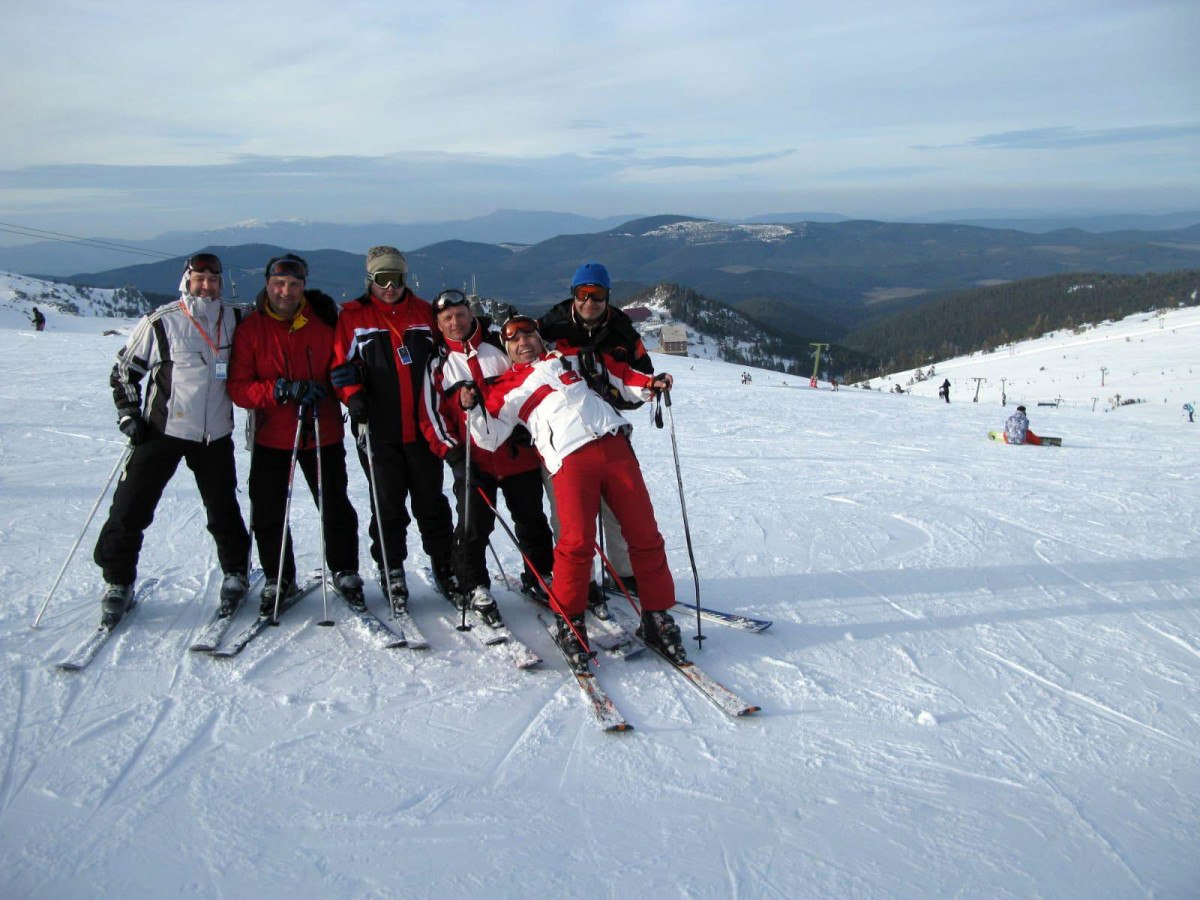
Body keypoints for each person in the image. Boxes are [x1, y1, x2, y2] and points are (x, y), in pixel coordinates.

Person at [463, 315, 683, 670]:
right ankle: (570, 620)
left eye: (529, 335)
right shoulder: (505, 387)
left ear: (539, 337)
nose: (524, 342)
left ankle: (656, 615)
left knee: (644, 534)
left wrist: (649, 383)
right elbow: (488, 437)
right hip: (567, 458)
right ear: (507, 350)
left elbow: (619, 375)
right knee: (575, 542)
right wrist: (472, 408)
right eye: (515, 340)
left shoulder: (567, 358)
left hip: (614, 444)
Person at [92, 253, 251, 626]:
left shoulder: (236, 318)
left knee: (223, 508)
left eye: (213, 279)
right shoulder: (163, 322)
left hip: (215, 434)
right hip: (164, 430)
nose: (207, 285)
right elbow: (123, 371)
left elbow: (279, 312)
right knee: (131, 508)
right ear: (187, 279)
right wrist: (130, 414)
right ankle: (117, 581)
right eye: (200, 278)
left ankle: (235, 572)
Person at [228, 254, 363, 616]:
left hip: (322, 430)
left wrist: (342, 384)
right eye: (278, 284)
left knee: (334, 505)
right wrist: (280, 390)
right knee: (269, 509)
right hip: (273, 435)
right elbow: (239, 389)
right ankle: (279, 575)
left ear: (303, 286)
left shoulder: (322, 322)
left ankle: (345, 569)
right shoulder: (252, 329)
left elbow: (342, 365)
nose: (285, 292)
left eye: (293, 284)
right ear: (267, 284)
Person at [330, 246, 455, 613]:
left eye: (395, 278)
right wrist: (352, 396)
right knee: (387, 504)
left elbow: (448, 357)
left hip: (422, 428)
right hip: (378, 428)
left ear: (406, 279)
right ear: (370, 280)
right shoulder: (354, 317)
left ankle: (444, 563)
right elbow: (340, 366)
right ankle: (391, 566)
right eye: (381, 279)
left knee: (431, 501)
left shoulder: (423, 313)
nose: (389, 286)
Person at [419, 289, 554, 624]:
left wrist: (529, 425)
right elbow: (430, 415)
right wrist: (451, 452)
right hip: (474, 457)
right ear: (438, 323)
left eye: (460, 315)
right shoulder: (437, 363)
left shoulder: (498, 346)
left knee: (531, 519)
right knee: (473, 525)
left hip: (516, 453)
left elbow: (528, 382)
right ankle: (475, 585)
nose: (455, 323)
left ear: (471, 313)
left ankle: (540, 576)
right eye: (446, 318)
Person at [537, 262, 652, 604]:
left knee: (616, 508)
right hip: (563, 436)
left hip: (608, 429)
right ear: (573, 295)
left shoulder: (622, 330)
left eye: (597, 295)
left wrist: (608, 385)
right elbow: (524, 365)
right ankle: (581, 581)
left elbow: (640, 376)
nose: (590, 302)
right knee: (570, 514)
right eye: (583, 294)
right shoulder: (549, 326)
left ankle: (623, 572)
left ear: (607, 297)